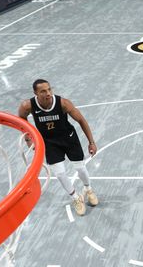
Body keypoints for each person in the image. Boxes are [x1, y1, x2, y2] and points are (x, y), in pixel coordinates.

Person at [18, 79, 98, 216]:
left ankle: (88, 189)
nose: (48, 93)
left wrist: (91, 142)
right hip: (49, 142)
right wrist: (28, 138)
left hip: (69, 138)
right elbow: (21, 119)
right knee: (60, 173)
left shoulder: (63, 103)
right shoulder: (27, 106)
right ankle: (75, 197)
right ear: (35, 93)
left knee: (80, 168)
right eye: (43, 91)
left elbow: (81, 120)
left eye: (49, 89)